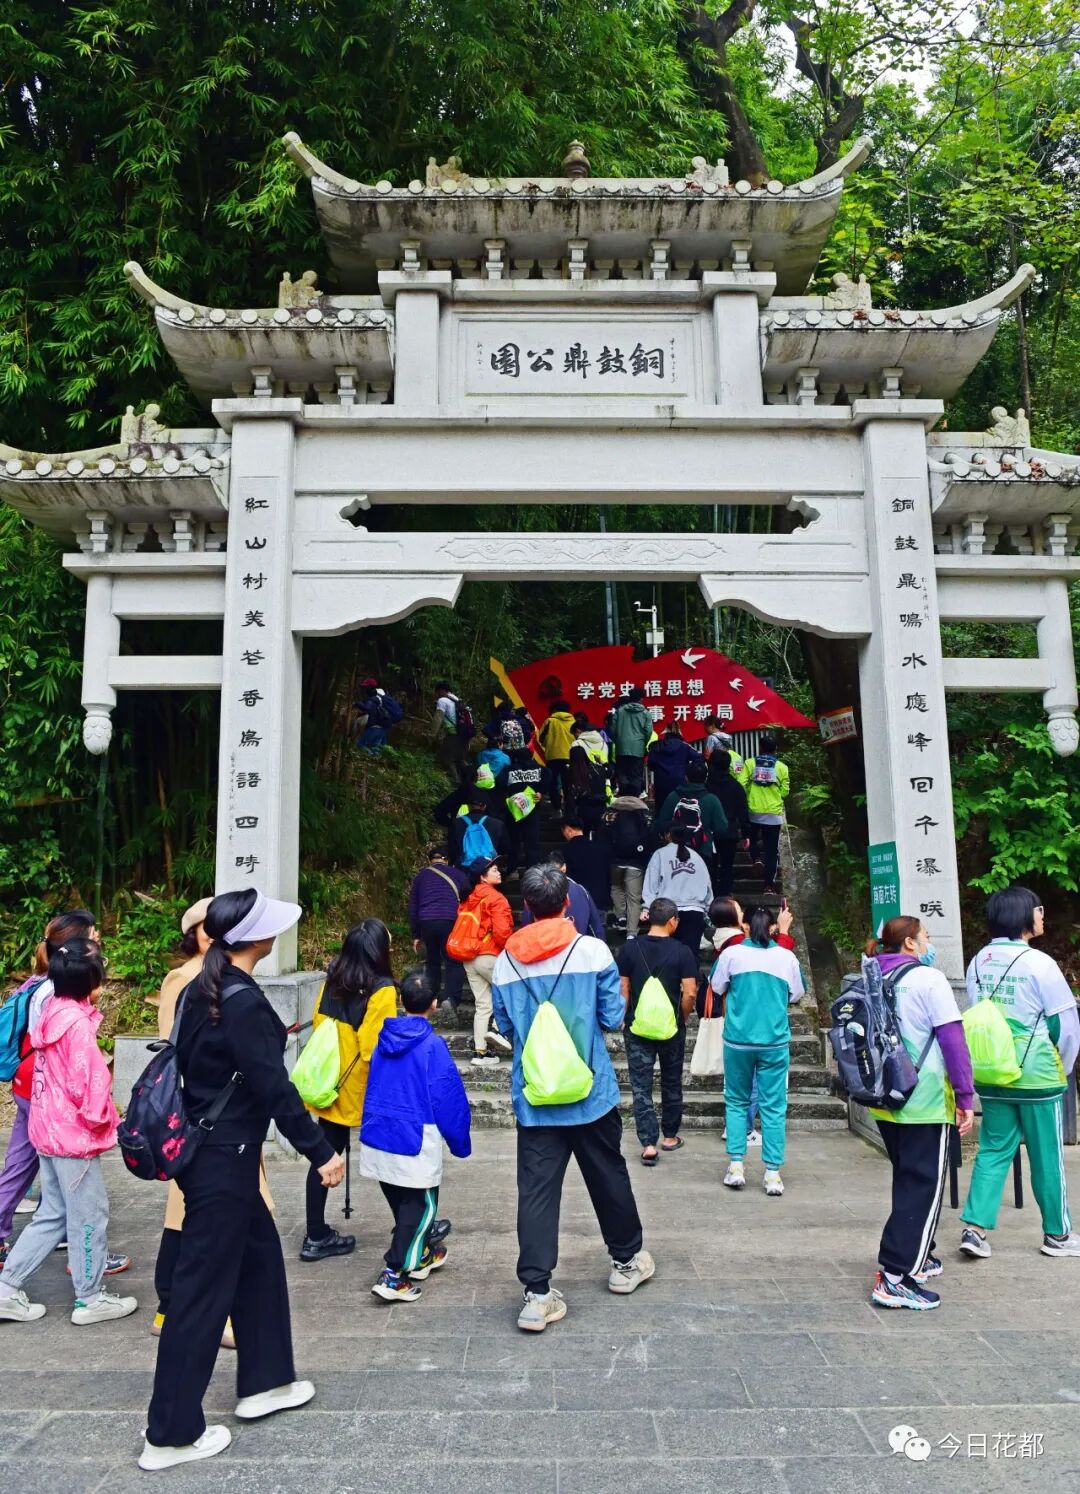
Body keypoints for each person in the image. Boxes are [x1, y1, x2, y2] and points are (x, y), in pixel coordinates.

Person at [140, 888, 345, 1472]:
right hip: (223, 1162)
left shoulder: (204, 986)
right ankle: (170, 1434)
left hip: (215, 1154)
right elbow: (273, 1087)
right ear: (256, 939)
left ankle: (266, 1381)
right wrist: (320, 1152)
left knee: (259, 1265)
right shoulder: (240, 999)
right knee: (200, 1295)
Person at [492, 864, 654, 1332]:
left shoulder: (505, 961)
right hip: (590, 1093)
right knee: (608, 1176)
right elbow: (611, 1017)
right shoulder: (593, 951)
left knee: (536, 1193)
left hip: (537, 1096)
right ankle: (626, 1263)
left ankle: (537, 1295)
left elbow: (506, 1026)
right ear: (566, 903)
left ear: (526, 906)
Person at [0, 938, 136, 1327]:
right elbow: (89, 1086)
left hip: (47, 1128)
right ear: (91, 982)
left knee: (53, 1214)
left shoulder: (50, 1011)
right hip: (73, 1137)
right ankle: (90, 1298)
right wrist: (109, 1124)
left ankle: (6, 1290)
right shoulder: (76, 1025)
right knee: (89, 1216)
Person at [959, 886, 1080, 1261]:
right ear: (1022, 915)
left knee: (993, 1150)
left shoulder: (978, 961)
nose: (1042, 916)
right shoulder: (1040, 964)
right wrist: (1063, 1067)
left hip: (991, 1072)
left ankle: (975, 1229)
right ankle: (1057, 1234)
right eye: (1038, 910)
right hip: (1036, 1075)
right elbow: (1064, 1026)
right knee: (1046, 1157)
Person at [862, 916, 975, 1311]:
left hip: (884, 1098)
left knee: (908, 1178)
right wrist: (965, 1096)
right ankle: (895, 1276)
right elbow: (953, 1040)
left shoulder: (872, 976)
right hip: (924, 1099)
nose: (929, 942)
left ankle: (918, 1254)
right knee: (923, 1185)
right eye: (925, 936)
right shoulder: (929, 980)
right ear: (909, 943)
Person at [152, 897, 248, 1345]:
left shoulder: (225, 975)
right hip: (200, 1114)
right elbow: (171, 1045)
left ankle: (191, 1305)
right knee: (194, 1213)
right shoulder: (183, 978)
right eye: (208, 928)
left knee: (221, 1214)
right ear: (195, 934)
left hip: (229, 1113)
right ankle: (176, 1305)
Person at [360, 970, 472, 1302]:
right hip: (414, 1136)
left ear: (401, 1000)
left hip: (379, 1131)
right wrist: (460, 1143)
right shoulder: (431, 1045)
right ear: (434, 1004)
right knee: (421, 1207)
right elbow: (448, 1098)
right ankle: (393, 1273)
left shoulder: (383, 1040)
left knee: (401, 1203)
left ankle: (421, 1254)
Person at [300, 920, 399, 1262]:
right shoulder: (382, 988)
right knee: (389, 1155)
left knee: (325, 1155)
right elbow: (374, 1046)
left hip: (330, 1078)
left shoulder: (332, 977)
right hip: (363, 1086)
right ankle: (412, 1225)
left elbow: (318, 1021)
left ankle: (316, 1234)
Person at [711, 906, 805, 1197]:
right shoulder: (786, 957)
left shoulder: (731, 954)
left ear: (745, 926)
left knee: (736, 1101)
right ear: (774, 927)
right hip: (774, 1041)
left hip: (738, 1040)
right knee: (774, 1106)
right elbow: (797, 993)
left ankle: (736, 1166)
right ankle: (773, 1174)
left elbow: (717, 986)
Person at [617, 898, 698, 1165]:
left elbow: (624, 988)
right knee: (671, 1080)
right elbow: (690, 992)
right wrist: (682, 1018)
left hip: (638, 1027)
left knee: (641, 1086)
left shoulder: (630, 949)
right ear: (673, 920)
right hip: (671, 1028)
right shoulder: (682, 951)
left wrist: (623, 1017)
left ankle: (648, 1144)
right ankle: (670, 1137)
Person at [456, 859, 514, 1068]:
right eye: (494, 870)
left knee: (483, 1004)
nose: (499, 872)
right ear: (483, 877)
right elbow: (502, 933)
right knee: (512, 990)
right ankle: (497, 1030)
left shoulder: (468, 897)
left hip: (469, 956)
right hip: (489, 955)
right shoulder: (496, 898)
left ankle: (481, 1053)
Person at [408, 846, 470, 1010]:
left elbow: (413, 906)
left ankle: (431, 996)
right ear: (447, 860)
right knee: (453, 961)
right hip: (450, 920)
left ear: (430, 861)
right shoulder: (458, 874)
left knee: (433, 961)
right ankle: (451, 999)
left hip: (427, 921)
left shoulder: (421, 877)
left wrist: (416, 934)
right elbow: (467, 897)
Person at [641, 834, 713, 959]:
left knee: (665, 956)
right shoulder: (696, 856)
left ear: (668, 835)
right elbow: (706, 885)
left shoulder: (660, 854)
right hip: (694, 911)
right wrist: (708, 908)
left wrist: (647, 907)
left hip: (666, 911)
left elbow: (651, 883)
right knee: (690, 957)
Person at [496, 719, 550, 873]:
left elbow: (499, 783)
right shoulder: (539, 769)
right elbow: (548, 775)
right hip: (532, 810)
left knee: (514, 841)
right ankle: (532, 872)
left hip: (513, 810)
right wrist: (541, 791)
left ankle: (512, 869)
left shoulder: (510, 769)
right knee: (532, 843)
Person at [738, 733, 790, 893]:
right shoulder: (782, 767)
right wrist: (775, 795)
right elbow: (785, 791)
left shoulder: (750, 763)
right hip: (773, 814)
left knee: (752, 839)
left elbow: (741, 783)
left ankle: (756, 858)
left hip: (753, 810)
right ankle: (768, 885)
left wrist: (750, 794)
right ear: (776, 749)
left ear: (760, 748)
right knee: (772, 850)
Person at [655, 757, 728, 868]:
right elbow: (722, 827)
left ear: (686, 777)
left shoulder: (673, 797)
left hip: (675, 852)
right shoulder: (712, 800)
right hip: (703, 851)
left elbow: (662, 824)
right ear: (705, 779)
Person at [521, 853, 606, 940]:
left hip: (542, 943)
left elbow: (526, 929)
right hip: (577, 943)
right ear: (567, 901)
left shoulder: (534, 892)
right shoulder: (580, 890)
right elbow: (596, 927)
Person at [603, 791, 652, 935]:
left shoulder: (613, 809)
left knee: (616, 887)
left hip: (616, 860)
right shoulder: (643, 811)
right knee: (634, 898)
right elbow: (649, 834)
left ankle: (621, 917)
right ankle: (632, 933)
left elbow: (604, 831)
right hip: (636, 861)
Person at [706, 751, 752, 896]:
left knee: (710, 865)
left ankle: (711, 893)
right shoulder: (736, 787)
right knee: (727, 865)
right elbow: (743, 812)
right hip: (729, 831)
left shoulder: (706, 786)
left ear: (711, 765)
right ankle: (725, 894)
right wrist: (746, 834)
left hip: (709, 833)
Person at [561, 816, 611, 916]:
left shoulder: (566, 850)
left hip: (578, 901)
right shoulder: (599, 848)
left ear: (568, 830)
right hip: (600, 899)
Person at [448, 787, 509, 869]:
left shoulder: (456, 823)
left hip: (464, 868)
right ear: (484, 806)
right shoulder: (498, 824)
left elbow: (452, 850)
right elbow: (505, 849)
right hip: (489, 867)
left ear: (468, 806)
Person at [567, 720, 612, 831]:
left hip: (584, 787)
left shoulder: (577, 744)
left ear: (578, 731)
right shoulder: (603, 743)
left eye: (574, 734)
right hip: (602, 784)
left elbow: (575, 767)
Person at [647, 724, 701, 810]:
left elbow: (650, 764)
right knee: (681, 810)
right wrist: (687, 770)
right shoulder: (684, 746)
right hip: (680, 783)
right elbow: (698, 758)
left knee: (662, 810)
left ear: (665, 732)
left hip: (661, 783)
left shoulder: (656, 746)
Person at [610, 688, 653, 795]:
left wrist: (619, 741)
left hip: (621, 747)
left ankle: (624, 795)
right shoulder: (645, 713)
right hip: (638, 748)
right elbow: (648, 731)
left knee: (622, 773)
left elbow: (612, 729)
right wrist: (642, 742)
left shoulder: (620, 711)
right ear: (641, 699)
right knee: (636, 774)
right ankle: (634, 797)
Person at [538, 699, 576, 812]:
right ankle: (569, 809)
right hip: (570, 756)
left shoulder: (550, 721)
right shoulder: (573, 721)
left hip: (553, 756)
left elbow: (541, 738)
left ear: (554, 709)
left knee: (553, 783)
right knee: (568, 783)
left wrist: (550, 744)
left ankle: (557, 808)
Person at [433, 680, 467, 775]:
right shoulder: (455, 699)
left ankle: (456, 781)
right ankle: (471, 779)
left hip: (453, 734)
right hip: (464, 733)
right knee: (460, 760)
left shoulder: (442, 700)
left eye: (436, 691)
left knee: (449, 760)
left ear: (440, 690)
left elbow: (438, 718)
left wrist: (432, 734)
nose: (436, 694)